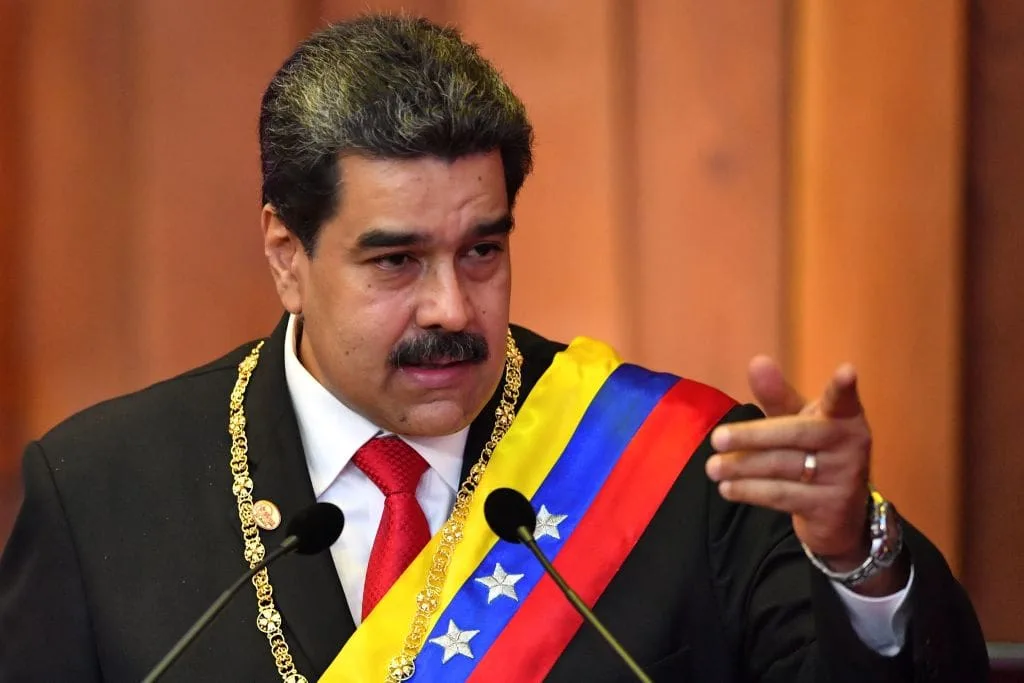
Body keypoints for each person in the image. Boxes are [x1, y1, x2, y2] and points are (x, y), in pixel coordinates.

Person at [0, 13, 987, 683]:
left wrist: (858, 555)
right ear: (286, 254)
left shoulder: (685, 469)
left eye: (482, 249)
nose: (451, 305)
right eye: (395, 260)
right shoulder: (102, 492)